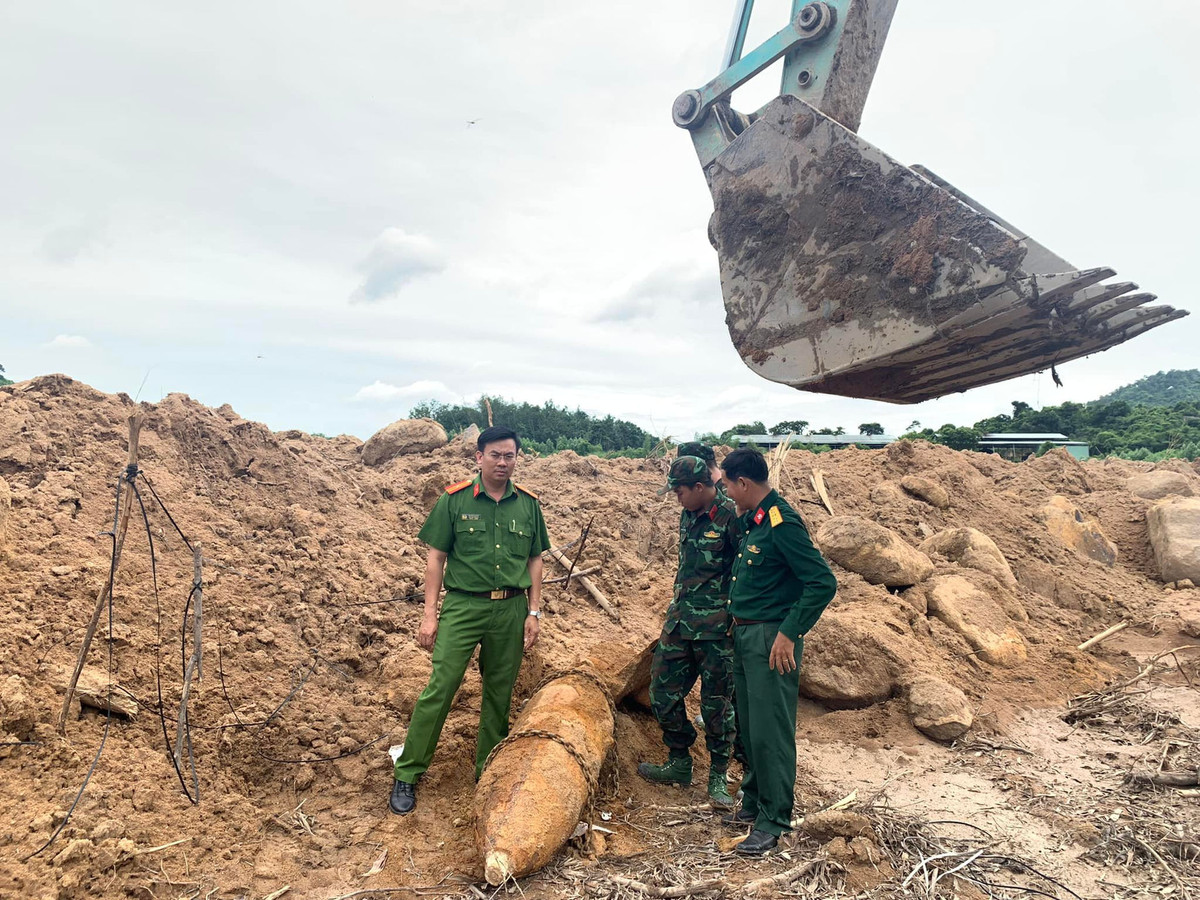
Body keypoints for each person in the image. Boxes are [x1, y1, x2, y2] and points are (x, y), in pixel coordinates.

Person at [389, 426, 550, 815]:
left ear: (516, 459)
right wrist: (430, 615)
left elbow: (535, 560)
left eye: (509, 456)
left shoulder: (528, 505)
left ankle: (487, 770)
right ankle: (408, 772)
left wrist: (533, 611)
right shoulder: (455, 500)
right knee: (441, 687)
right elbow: (435, 558)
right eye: (495, 455)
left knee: (499, 692)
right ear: (479, 457)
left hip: (510, 610)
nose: (502, 462)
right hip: (463, 607)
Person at [719, 447, 837, 855]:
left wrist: (790, 632)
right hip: (747, 636)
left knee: (771, 732)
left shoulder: (782, 522)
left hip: (772, 641)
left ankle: (773, 820)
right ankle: (754, 801)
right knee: (751, 729)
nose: (727, 493)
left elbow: (822, 582)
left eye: (728, 486)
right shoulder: (755, 520)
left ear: (743, 483)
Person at [637, 456, 741, 808]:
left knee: (716, 705)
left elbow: (746, 572)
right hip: (680, 623)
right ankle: (679, 760)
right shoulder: (689, 512)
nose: (676, 497)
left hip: (717, 630)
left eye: (680, 491)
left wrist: (734, 616)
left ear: (700, 488)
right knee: (661, 694)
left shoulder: (732, 516)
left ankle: (717, 775)